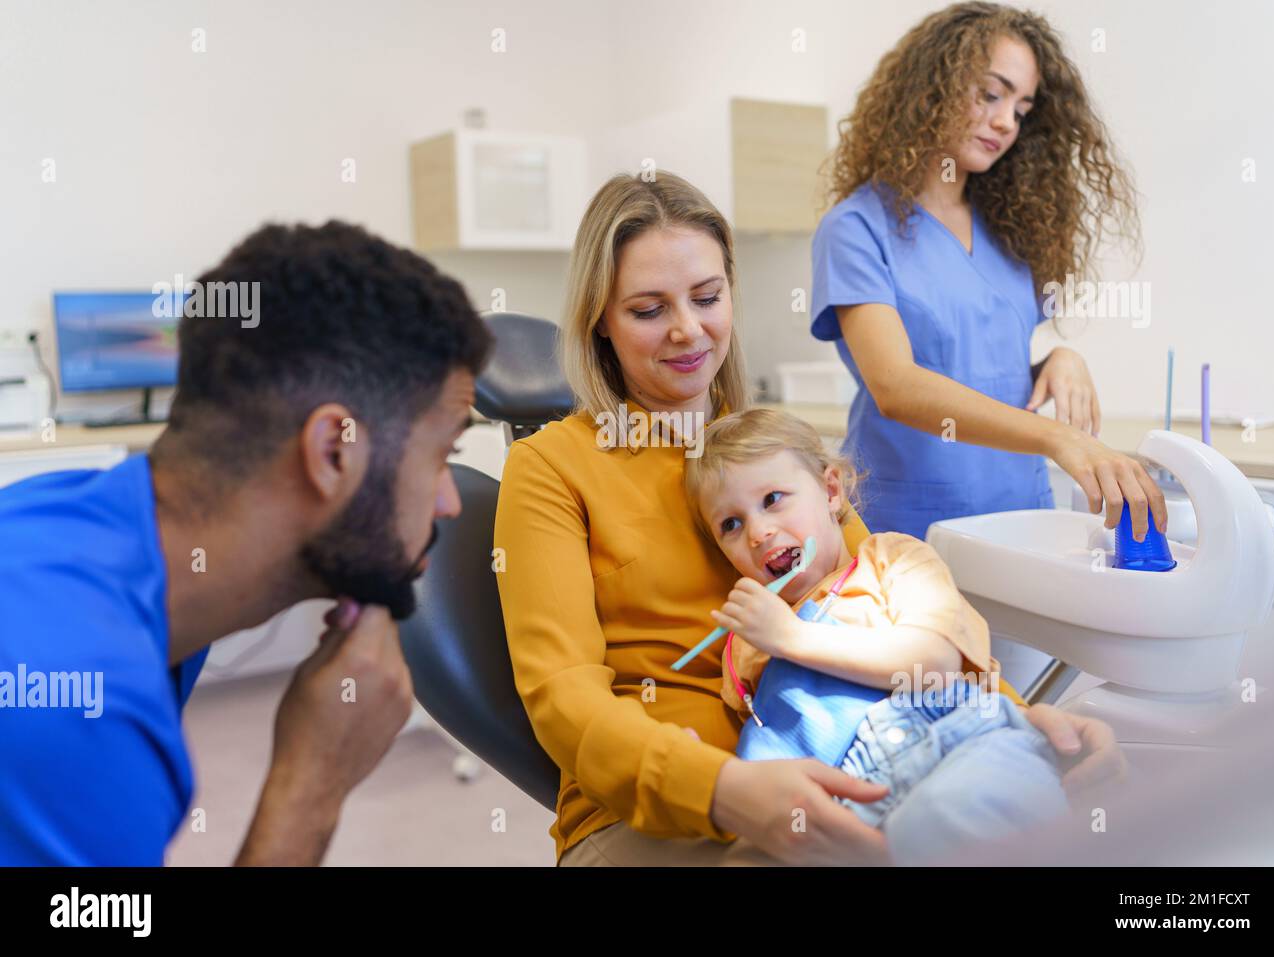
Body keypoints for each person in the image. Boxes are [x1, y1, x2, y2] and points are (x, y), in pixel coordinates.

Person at [494, 170, 1124, 867]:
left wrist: (1018, 714)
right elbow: (563, 700)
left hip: (850, 771)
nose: (687, 330)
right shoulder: (551, 468)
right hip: (657, 815)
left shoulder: (769, 455)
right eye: (648, 309)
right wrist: (725, 788)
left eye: (707, 297)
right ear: (599, 322)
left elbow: (893, 600)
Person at [0, 221, 492, 865]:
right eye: (442, 456)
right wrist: (310, 788)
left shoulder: (68, 517)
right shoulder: (76, 702)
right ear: (332, 452)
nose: (450, 501)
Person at [813, 1, 1167, 542]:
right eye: (990, 93)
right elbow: (897, 385)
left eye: (1022, 109)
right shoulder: (856, 228)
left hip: (1021, 511)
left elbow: (982, 363)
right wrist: (1057, 438)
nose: (1006, 122)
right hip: (913, 524)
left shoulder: (1011, 227)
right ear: (932, 86)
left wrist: (1059, 357)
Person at [686, 407, 1069, 865]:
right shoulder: (745, 641)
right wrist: (704, 771)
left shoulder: (891, 559)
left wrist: (792, 638)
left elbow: (934, 664)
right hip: (850, 803)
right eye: (730, 524)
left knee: (938, 822)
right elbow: (767, 745)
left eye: (772, 499)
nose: (758, 532)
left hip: (958, 745)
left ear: (831, 491)